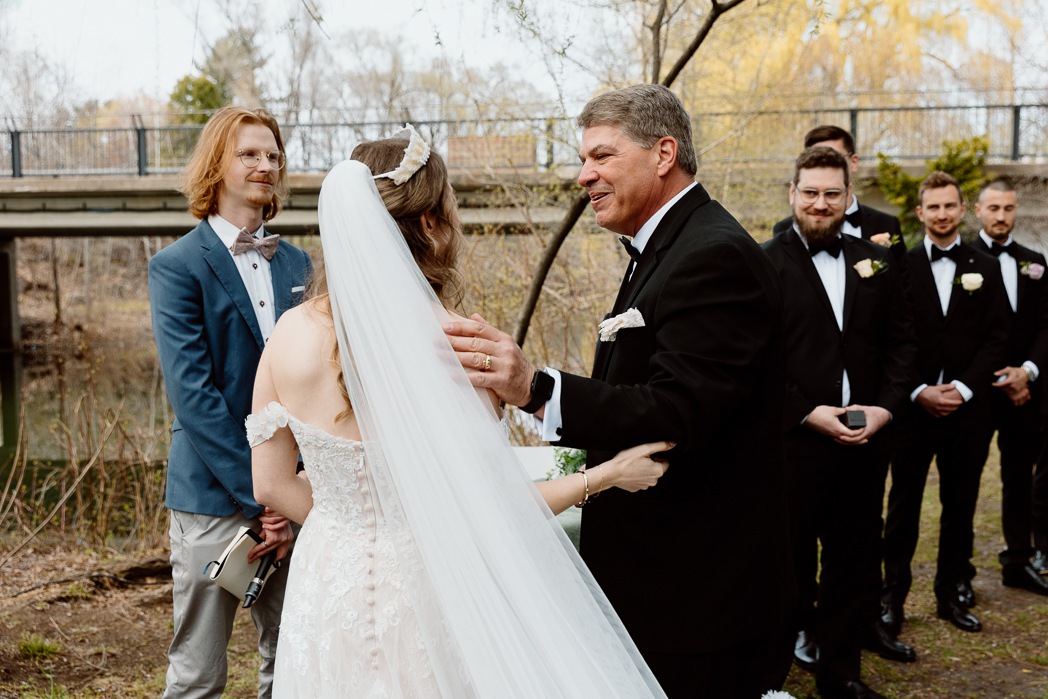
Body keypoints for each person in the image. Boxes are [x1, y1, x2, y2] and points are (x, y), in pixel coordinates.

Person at [249, 128, 672, 698]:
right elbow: (498, 511)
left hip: (327, 579)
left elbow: (271, 484)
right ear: (429, 224)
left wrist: (353, 522)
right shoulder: (460, 348)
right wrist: (607, 475)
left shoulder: (286, 336)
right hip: (430, 584)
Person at [444, 84, 795, 698]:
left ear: (664, 153)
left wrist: (535, 388)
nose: (585, 176)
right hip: (661, 580)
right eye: (584, 160)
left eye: (601, 157)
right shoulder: (663, 247)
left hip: (697, 590)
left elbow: (678, 410)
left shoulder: (714, 255)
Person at [148, 106, 314, 698]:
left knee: (294, 661)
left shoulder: (298, 264)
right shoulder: (177, 267)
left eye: (273, 155)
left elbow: (312, 386)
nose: (265, 165)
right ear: (217, 163)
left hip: (292, 499)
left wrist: (289, 492)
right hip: (213, 497)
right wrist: (262, 494)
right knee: (197, 674)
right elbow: (194, 398)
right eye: (249, 153)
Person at [762, 147, 916, 699]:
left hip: (865, 442)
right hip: (794, 444)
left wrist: (886, 407)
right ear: (792, 194)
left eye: (832, 193)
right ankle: (771, 680)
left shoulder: (876, 260)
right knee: (788, 567)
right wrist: (806, 412)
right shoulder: (762, 263)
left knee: (854, 564)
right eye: (810, 192)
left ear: (848, 199)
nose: (820, 203)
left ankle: (842, 675)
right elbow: (754, 362)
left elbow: (903, 344)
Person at [881, 171, 1009, 635]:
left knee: (961, 504)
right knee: (903, 506)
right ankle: (891, 597)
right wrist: (917, 390)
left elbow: (998, 338)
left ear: (961, 209)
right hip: (914, 409)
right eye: (932, 207)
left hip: (967, 410)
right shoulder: (901, 265)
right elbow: (893, 338)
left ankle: (951, 592)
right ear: (920, 213)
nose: (941, 214)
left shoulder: (985, 266)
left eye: (949, 206)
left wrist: (964, 388)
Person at [971, 179, 1048, 596]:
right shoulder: (960, 259)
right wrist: (993, 376)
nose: (1002, 216)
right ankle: (958, 571)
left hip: (1023, 392)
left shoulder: (1034, 262)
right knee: (963, 481)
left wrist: (1027, 372)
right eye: (994, 208)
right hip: (977, 393)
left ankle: (1018, 560)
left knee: (1019, 477)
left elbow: (1044, 325)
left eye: (1009, 208)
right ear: (978, 211)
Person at [773, 125, 905, 260]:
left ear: (854, 162)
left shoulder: (886, 223)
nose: (820, 205)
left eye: (834, 157)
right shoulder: (783, 231)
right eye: (815, 157)